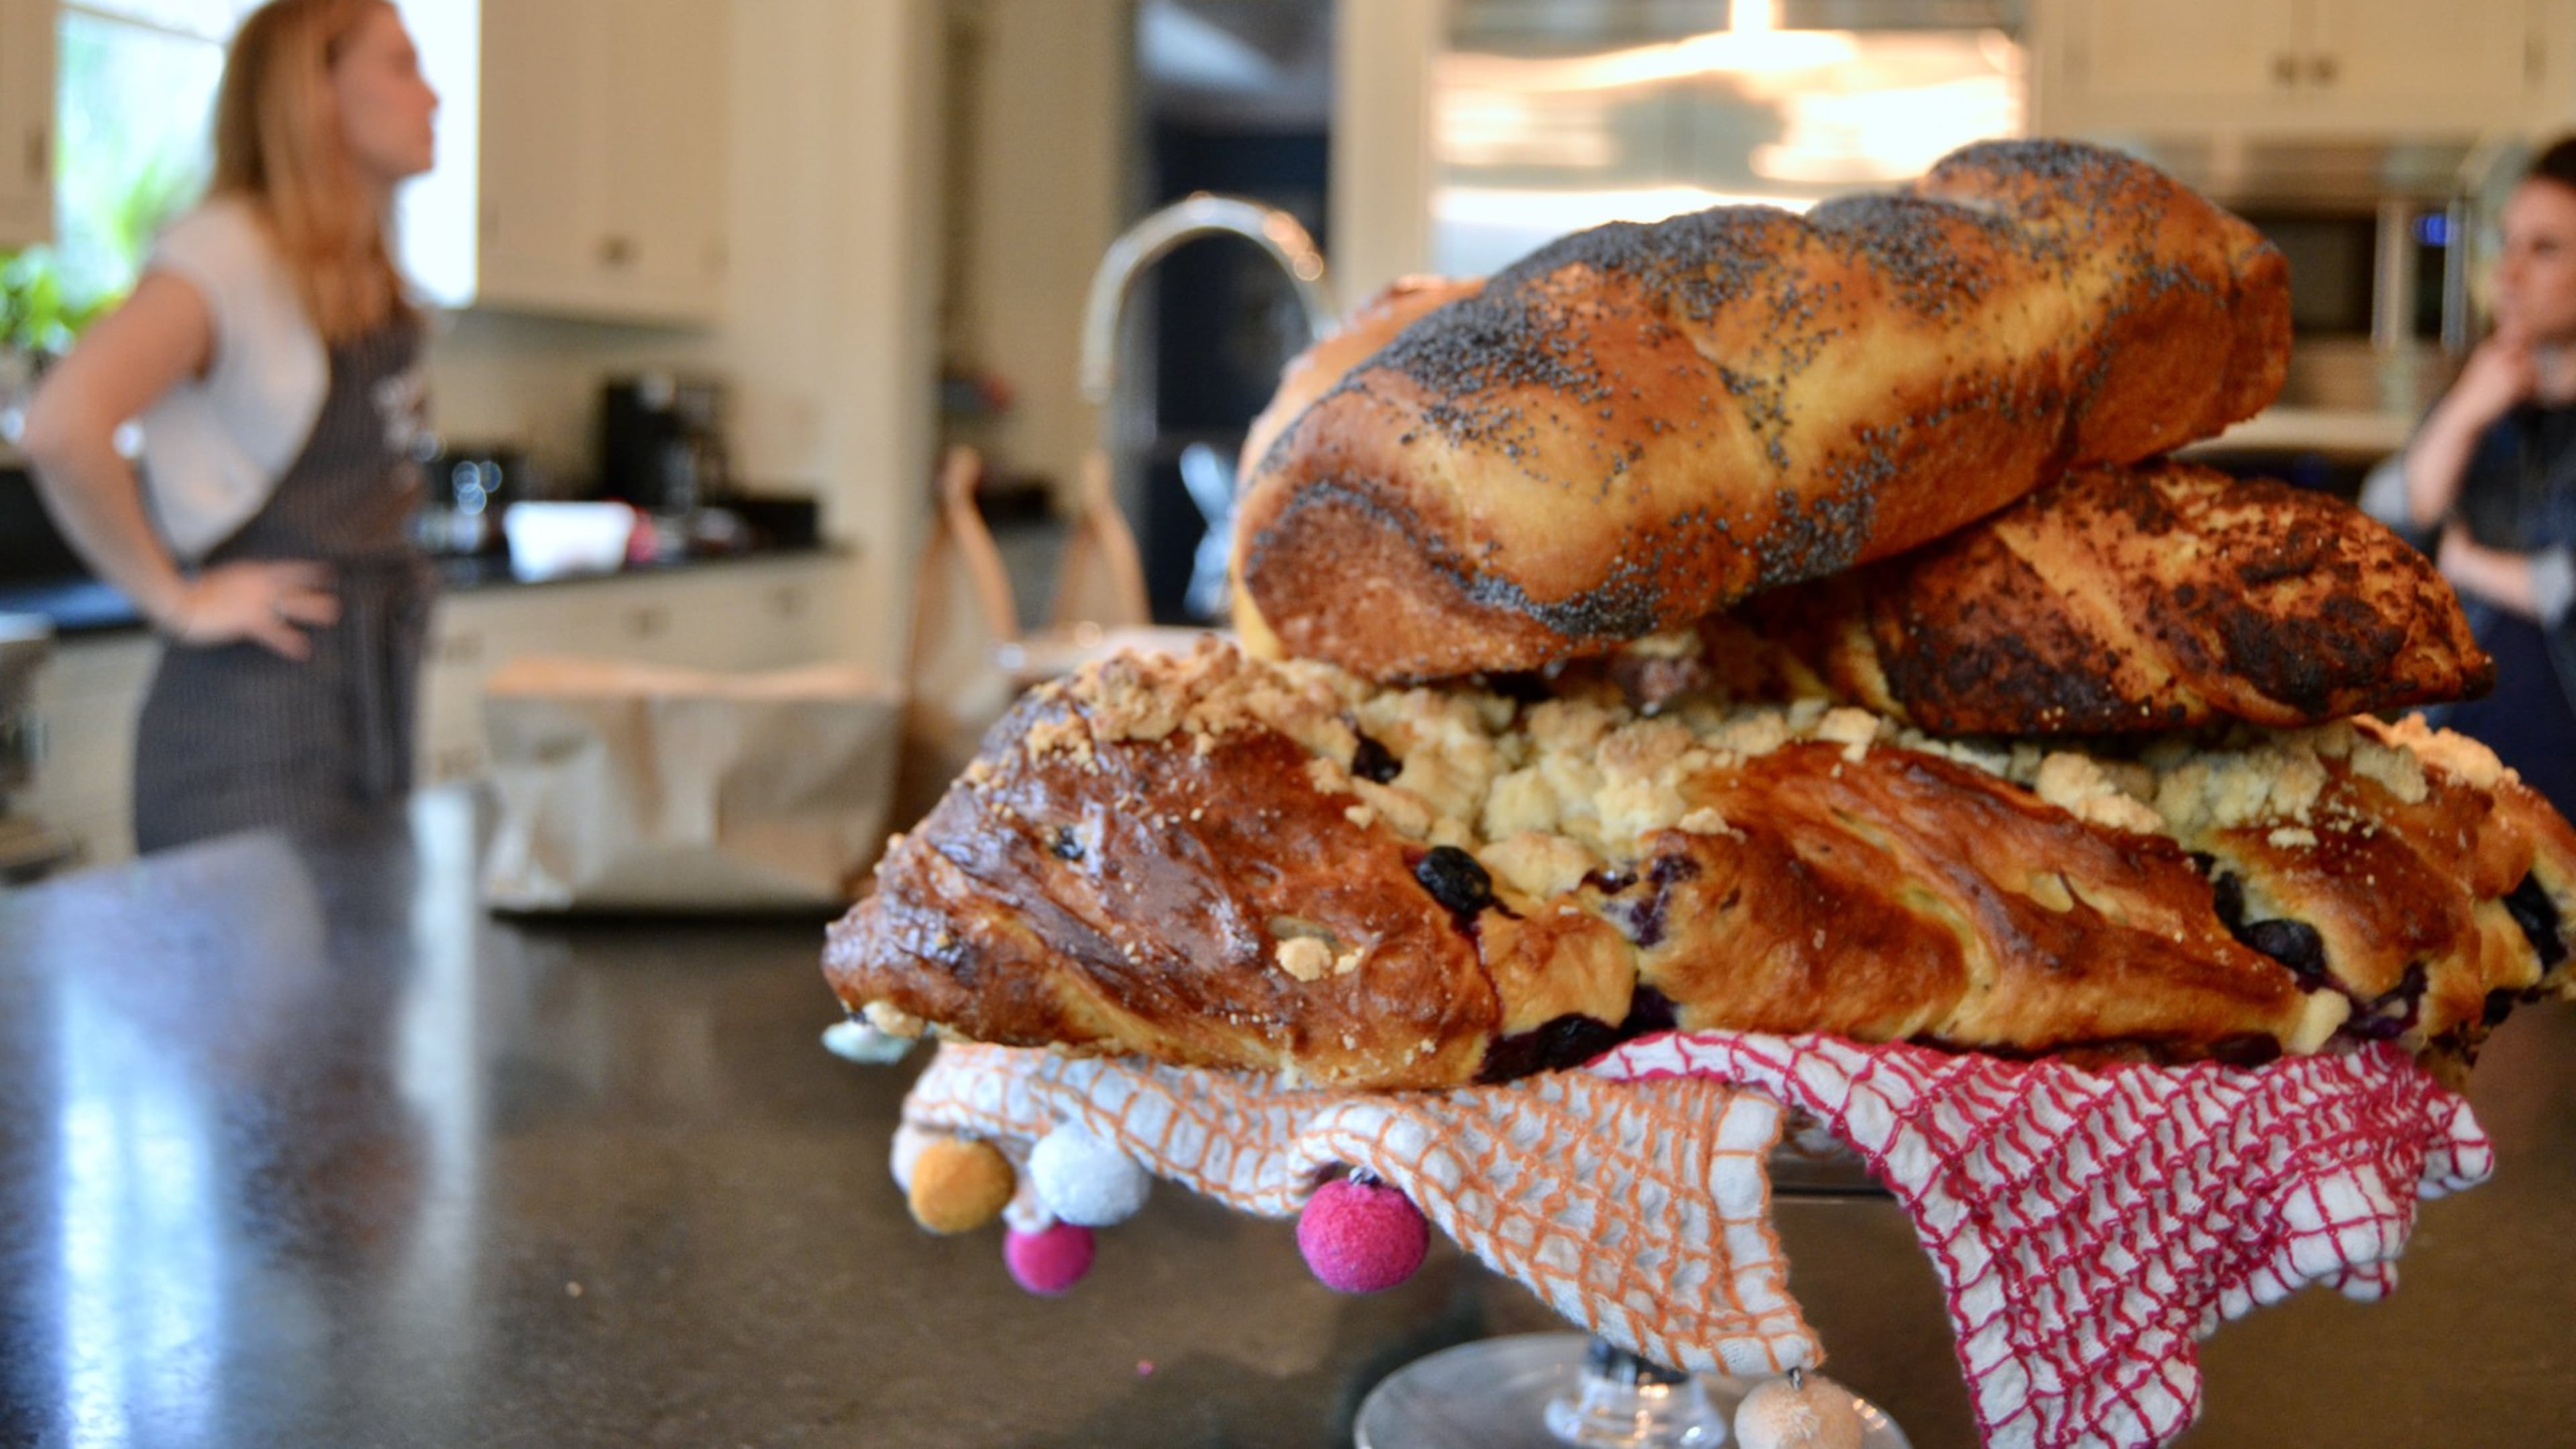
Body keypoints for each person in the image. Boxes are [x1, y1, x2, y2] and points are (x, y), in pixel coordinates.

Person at [20, 0, 440, 853]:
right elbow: (62, 423)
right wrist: (176, 602)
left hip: (361, 708)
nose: (432, 98)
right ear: (313, 92)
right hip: (251, 733)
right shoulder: (230, 253)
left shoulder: (365, 274)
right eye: (401, 66)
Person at [2364, 137, 2576, 816]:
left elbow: (2565, 586)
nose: (2507, 273)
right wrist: (2463, 414)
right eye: (2506, 243)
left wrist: (2463, 559)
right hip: (2449, 772)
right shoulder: (2482, 396)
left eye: (2544, 249)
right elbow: (2385, 526)